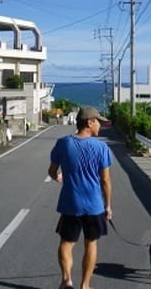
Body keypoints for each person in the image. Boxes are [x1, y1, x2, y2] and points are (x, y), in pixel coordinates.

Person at [48, 107, 113, 289]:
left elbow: (52, 171)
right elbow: (106, 181)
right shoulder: (101, 148)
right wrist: (108, 206)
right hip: (94, 205)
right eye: (98, 121)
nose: (100, 124)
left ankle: (66, 280)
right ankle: (85, 285)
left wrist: (58, 177)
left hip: (70, 203)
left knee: (66, 243)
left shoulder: (63, 143)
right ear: (89, 122)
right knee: (91, 243)